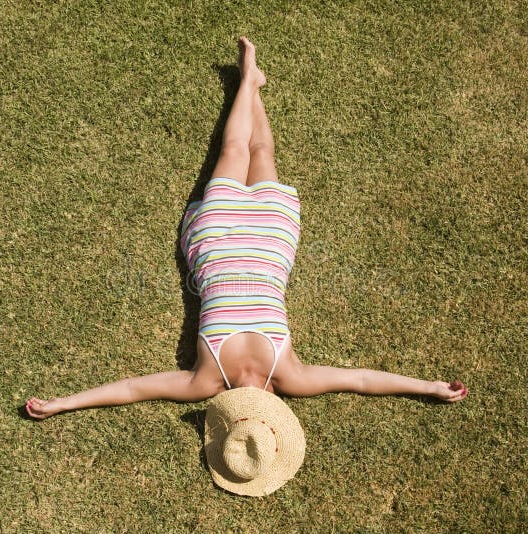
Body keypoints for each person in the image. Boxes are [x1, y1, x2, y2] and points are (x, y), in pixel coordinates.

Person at [25, 37, 468, 421]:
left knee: (245, 148)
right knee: (252, 148)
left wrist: (65, 403)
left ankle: (250, 83)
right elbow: (357, 379)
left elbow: (131, 390)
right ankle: (251, 83)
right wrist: (424, 386)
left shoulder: (237, 379)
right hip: (245, 241)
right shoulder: (261, 376)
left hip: (239, 240)